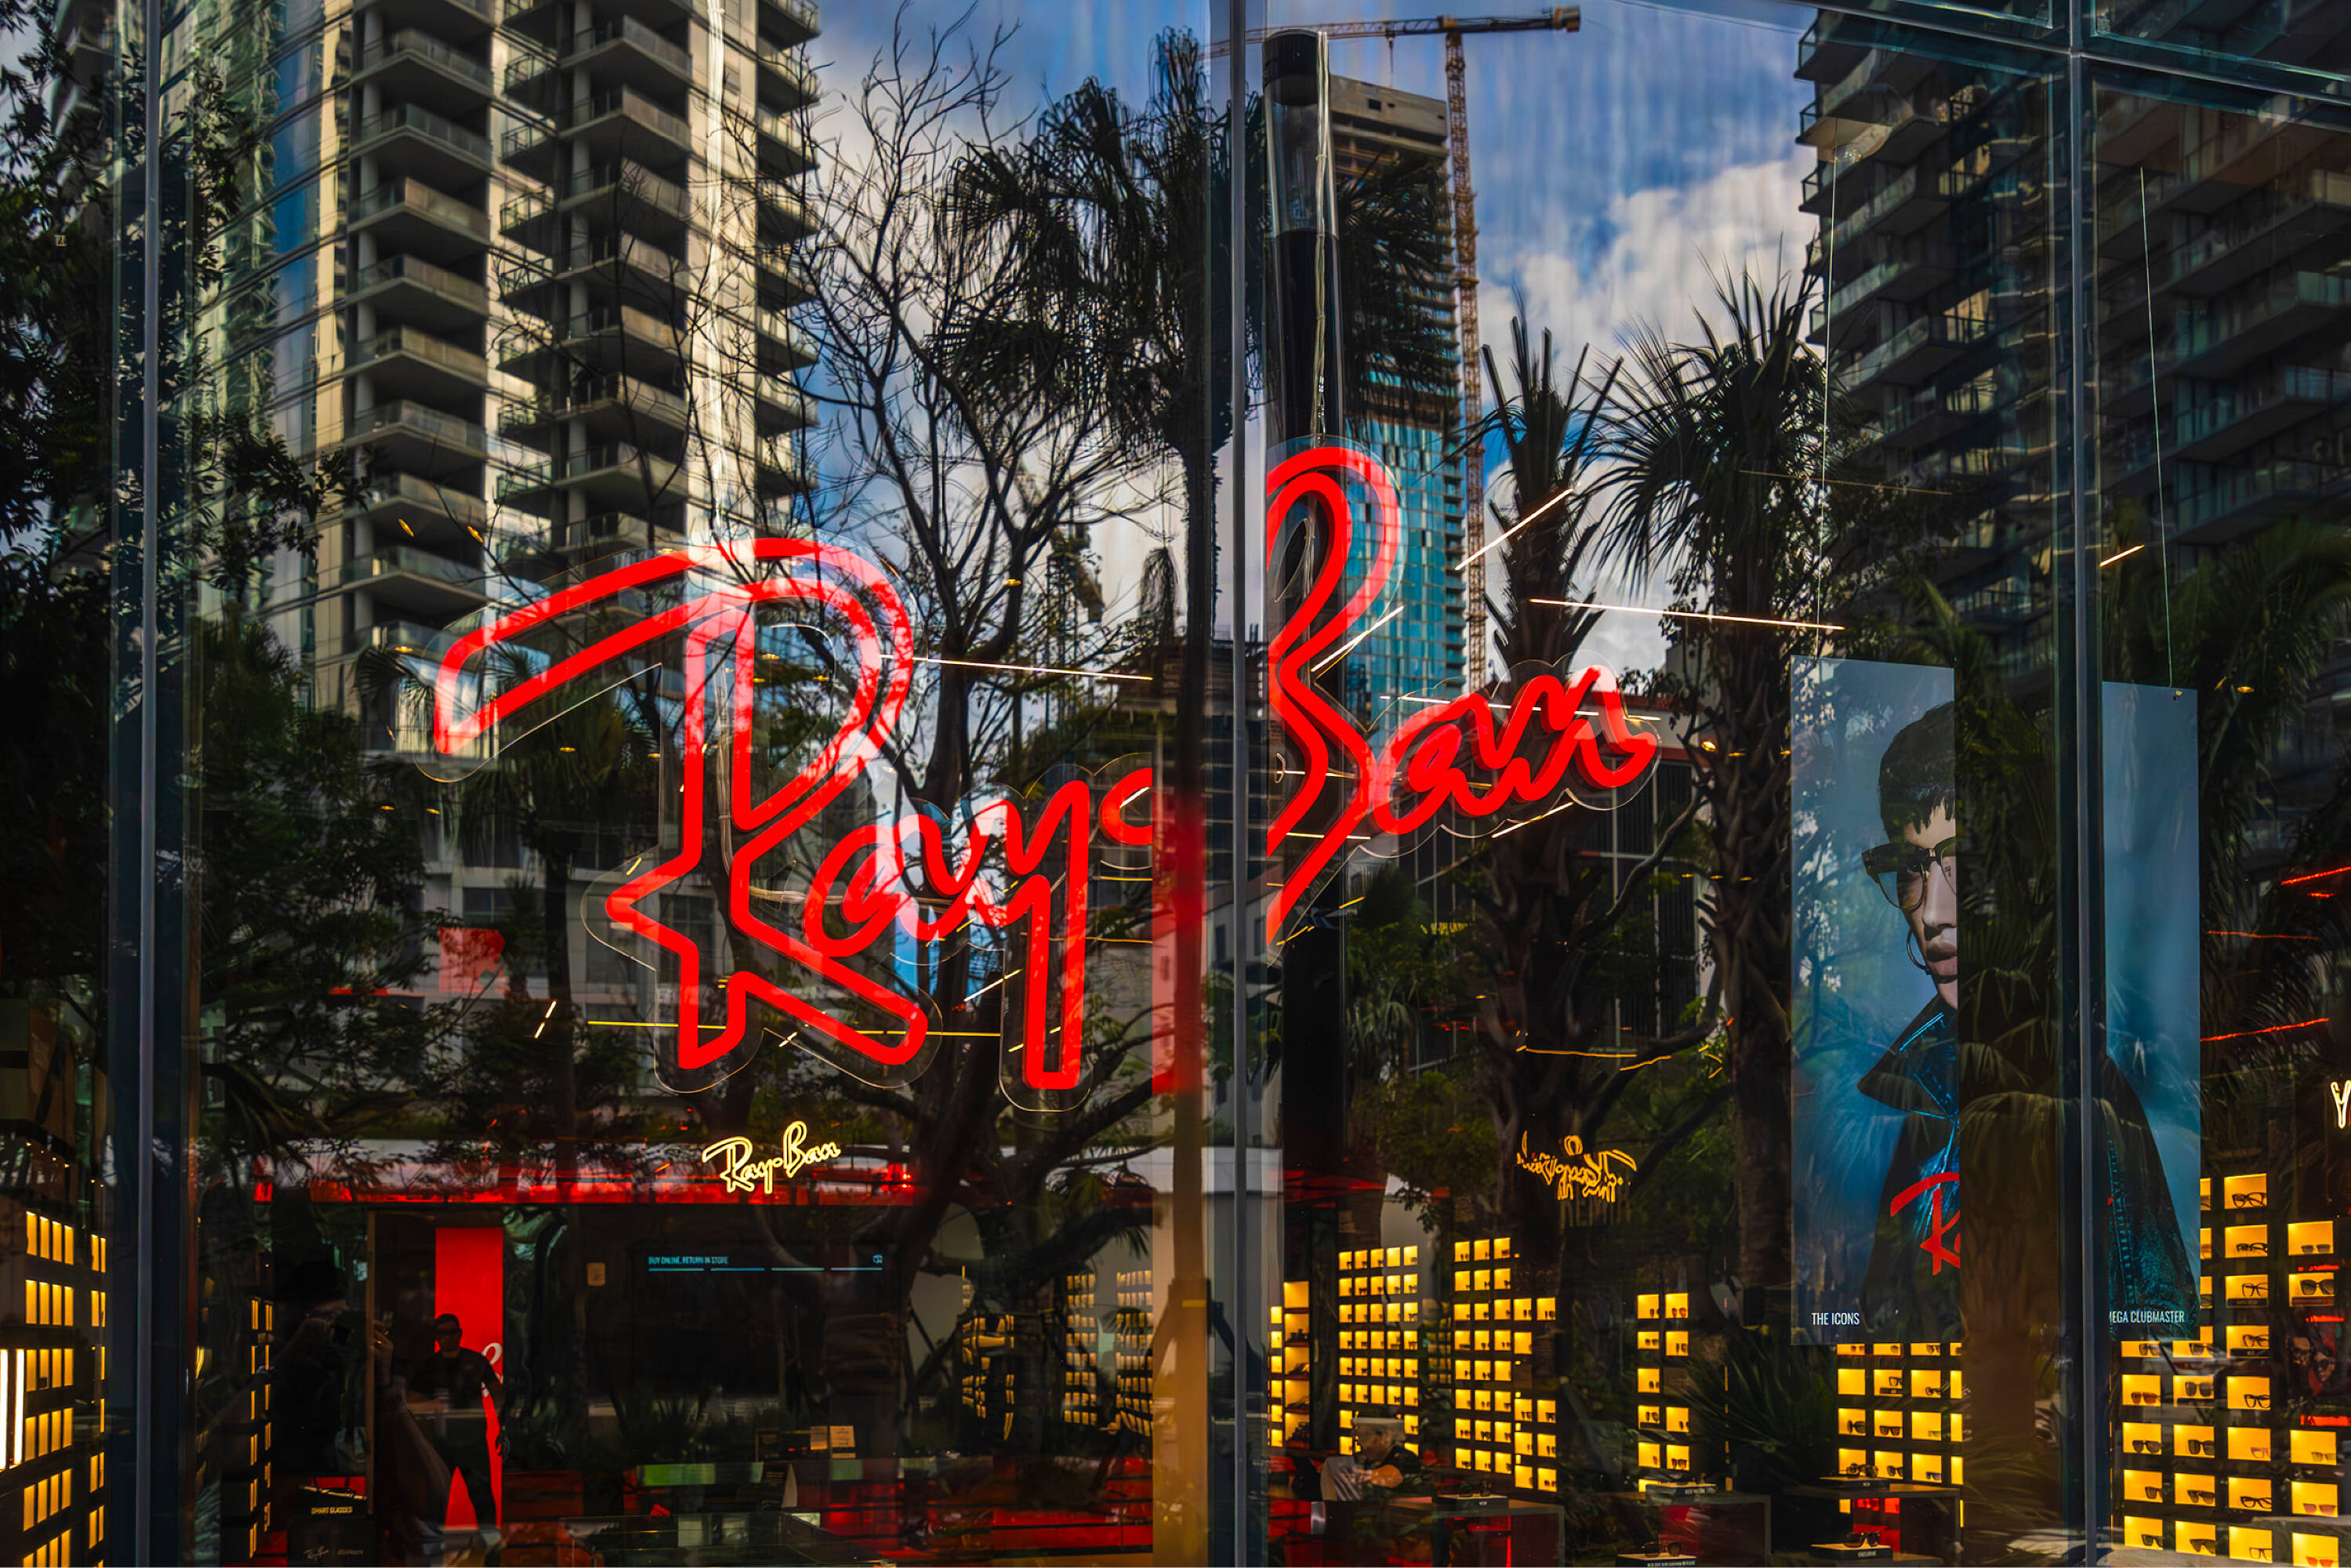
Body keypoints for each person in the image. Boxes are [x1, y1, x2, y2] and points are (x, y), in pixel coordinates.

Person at [1855, 703, 1965, 1341]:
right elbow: (1884, 1310)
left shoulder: (2085, 1090)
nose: (1930, 914)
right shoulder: (1918, 1092)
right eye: (1911, 870)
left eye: (1961, 864)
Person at [408, 1312, 503, 1533]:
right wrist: (431, 1406)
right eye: (443, 1333)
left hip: (470, 1441)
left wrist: (503, 1426)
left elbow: (498, 1395)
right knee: (438, 1499)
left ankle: (489, 1545)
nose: (448, 1337)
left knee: (480, 1498)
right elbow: (411, 1403)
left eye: (452, 1332)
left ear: (460, 1334)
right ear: (436, 1336)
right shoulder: (429, 1366)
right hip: (442, 1441)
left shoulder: (475, 1361)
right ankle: (437, 1545)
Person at [1316, 1414, 1425, 1499]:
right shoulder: (1364, 1457)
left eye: (1366, 1435)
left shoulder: (1405, 1458)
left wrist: (1349, 1475)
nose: (1360, 1442)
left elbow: (1390, 1477)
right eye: (1358, 1435)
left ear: (1386, 1436)